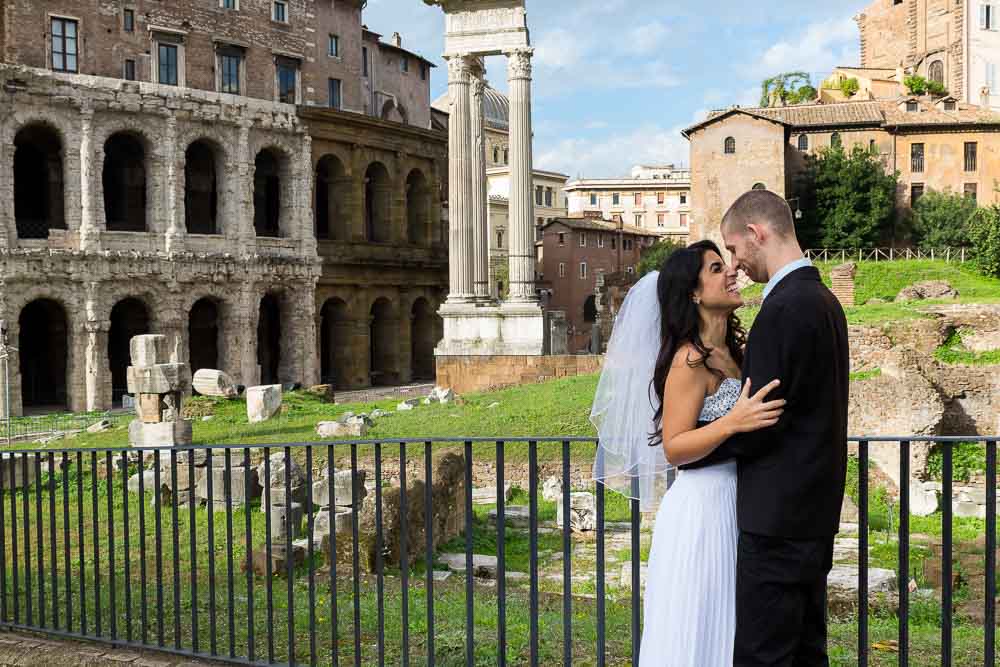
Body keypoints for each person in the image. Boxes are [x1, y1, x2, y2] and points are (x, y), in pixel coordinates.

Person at [591, 239, 785, 665]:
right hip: (702, 507)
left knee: (732, 628)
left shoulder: (734, 353)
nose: (731, 272)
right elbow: (675, 446)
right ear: (694, 293)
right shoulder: (688, 361)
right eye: (717, 269)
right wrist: (733, 422)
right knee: (697, 625)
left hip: (739, 501)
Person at [688, 190, 850, 665]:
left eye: (735, 250)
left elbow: (760, 422)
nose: (736, 263)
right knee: (805, 651)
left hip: (777, 522)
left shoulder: (782, 309)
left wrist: (689, 451)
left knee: (765, 655)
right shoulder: (825, 301)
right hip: (814, 515)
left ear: (756, 234)